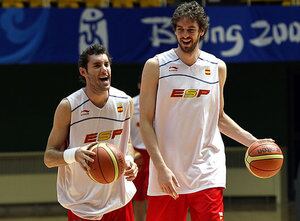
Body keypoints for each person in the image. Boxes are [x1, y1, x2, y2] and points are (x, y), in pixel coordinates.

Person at [139, 1, 274, 221]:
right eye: (180, 29)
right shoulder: (156, 66)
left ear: (201, 31)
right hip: (167, 173)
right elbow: (145, 121)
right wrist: (160, 167)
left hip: (207, 171)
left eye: (191, 29)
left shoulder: (217, 67)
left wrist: (254, 142)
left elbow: (219, 118)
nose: (185, 35)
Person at [44, 43, 138, 221]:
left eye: (106, 64)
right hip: (82, 203)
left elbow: (127, 144)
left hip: (118, 200)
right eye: (97, 65)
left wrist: (129, 160)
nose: (104, 69)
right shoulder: (69, 106)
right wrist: (75, 154)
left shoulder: (125, 102)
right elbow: (49, 158)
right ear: (83, 72)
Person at [130, 76, 150, 221]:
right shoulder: (131, 104)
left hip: (155, 153)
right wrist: (131, 151)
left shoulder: (159, 102)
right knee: (138, 194)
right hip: (137, 153)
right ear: (139, 85)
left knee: (155, 192)